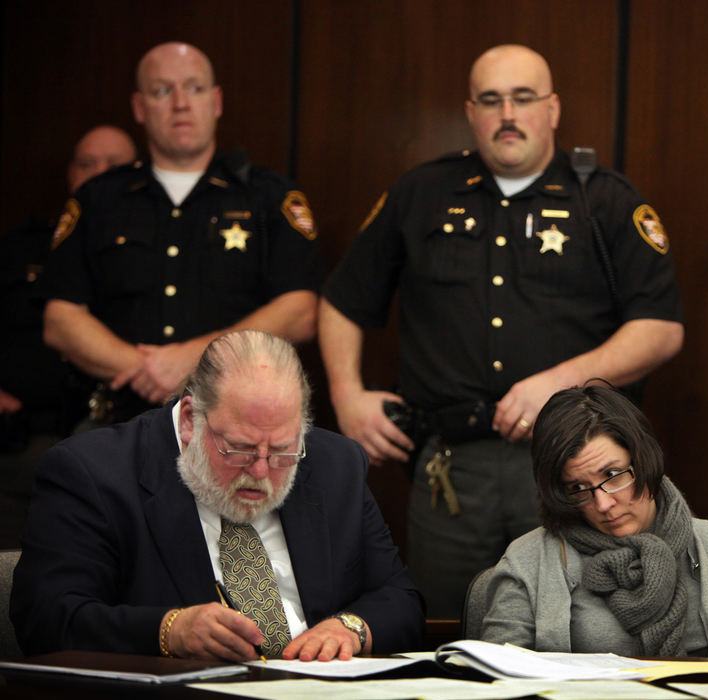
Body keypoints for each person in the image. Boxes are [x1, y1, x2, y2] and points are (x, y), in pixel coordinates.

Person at [320, 44, 684, 617]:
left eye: (523, 98)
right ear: (470, 112)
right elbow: (342, 300)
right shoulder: (422, 194)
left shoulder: (605, 200)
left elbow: (660, 329)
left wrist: (560, 385)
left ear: (554, 109)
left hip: (576, 466)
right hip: (451, 472)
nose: (507, 114)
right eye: (491, 100)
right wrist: (346, 395)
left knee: (588, 624)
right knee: (445, 623)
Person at [11, 330, 424, 660]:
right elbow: (46, 620)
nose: (261, 471)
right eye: (240, 448)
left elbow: (400, 599)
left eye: (281, 451)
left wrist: (350, 629)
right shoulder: (93, 473)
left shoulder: (336, 465)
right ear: (191, 419)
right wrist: (170, 630)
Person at [39, 42, 322, 427]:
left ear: (217, 101)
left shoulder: (269, 196)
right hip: (117, 424)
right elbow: (60, 318)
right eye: (162, 90)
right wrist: (149, 369)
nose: (180, 103)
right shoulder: (98, 199)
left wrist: (196, 358)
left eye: (194, 88)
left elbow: (300, 311)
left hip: (238, 425)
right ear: (139, 107)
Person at [479, 384, 708, 659]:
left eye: (612, 475)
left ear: (644, 460)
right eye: (577, 488)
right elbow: (497, 679)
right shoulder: (529, 560)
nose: (603, 503)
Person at [0, 126, 136, 544]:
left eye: (114, 165)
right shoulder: (21, 248)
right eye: (86, 163)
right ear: (69, 174)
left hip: (118, 433)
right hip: (22, 433)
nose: (98, 174)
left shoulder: (158, 259)